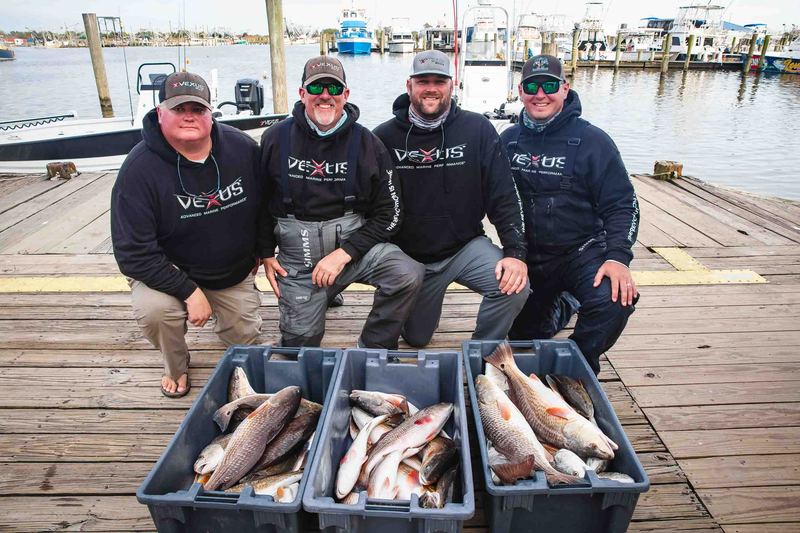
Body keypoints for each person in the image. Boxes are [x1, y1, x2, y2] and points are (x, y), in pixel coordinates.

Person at [111, 72, 263, 398]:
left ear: (211, 113)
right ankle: (176, 364)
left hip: (230, 270)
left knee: (245, 342)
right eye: (179, 108)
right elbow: (131, 252)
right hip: (169, 272)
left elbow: (267, 205)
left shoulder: (242, 148)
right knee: (156, 311)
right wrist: (189, 291)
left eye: (198, 108)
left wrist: (262, 251)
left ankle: (227, 318)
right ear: (160, 113)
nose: (189, 115)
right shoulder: (138, 170)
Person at [258, 56, 423, 349]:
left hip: (352, 251)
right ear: (302, 93)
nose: (325, 95)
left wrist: (346, 252)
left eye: (334, 88)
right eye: (316, 88)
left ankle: (373, 346)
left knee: (406, 273)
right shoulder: (274, 138)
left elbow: (391, 213)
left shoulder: (369, 144)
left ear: (345, 94)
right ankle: (322, 295)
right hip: (299, 258)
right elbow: (258, 202)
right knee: (298, 347)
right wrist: (264, 252)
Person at [373, 50, 529, 347]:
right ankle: (417, 307)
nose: (431, 88)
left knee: (515, 286)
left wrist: (515, 253)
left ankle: (482, 352)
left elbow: (503, 196)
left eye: (439, 81)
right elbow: (372, 206)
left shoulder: (478, 129)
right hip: (412, 260)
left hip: (464, 248)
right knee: (417, 338)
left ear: (451, 85)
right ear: (409, 85)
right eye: (423, 81)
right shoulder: (383, 136)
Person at [501, 55, 640, 374]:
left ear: (565, 88)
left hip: (581, 252)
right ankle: (564, 302)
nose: (540, 94)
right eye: (531, 87)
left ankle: (578, 363)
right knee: (524, 338)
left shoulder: (594, 141)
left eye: (549, 85)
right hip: (528, 255)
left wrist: (618, 258)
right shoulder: (508, 140)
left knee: (615, 299)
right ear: (520, 92)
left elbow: (623, 204)